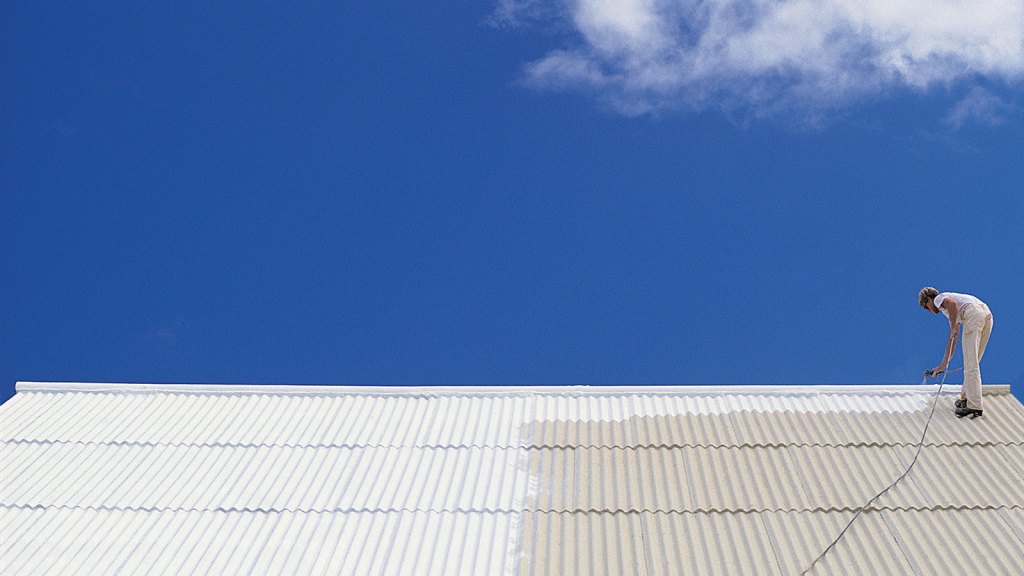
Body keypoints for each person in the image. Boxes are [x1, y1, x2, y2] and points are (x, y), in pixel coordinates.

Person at [919, 287, 994, 418]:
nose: (929, 311)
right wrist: (943, 365)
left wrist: (953, 327)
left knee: (970, 364)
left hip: (972, 314)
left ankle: (974, 405)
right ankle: (965, 398)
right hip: (986, 315)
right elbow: (953, 339)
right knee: (973, 362)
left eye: (927, 307)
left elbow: (952, 304)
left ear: (929, 299)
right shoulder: (952, 311)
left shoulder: (939, 299)